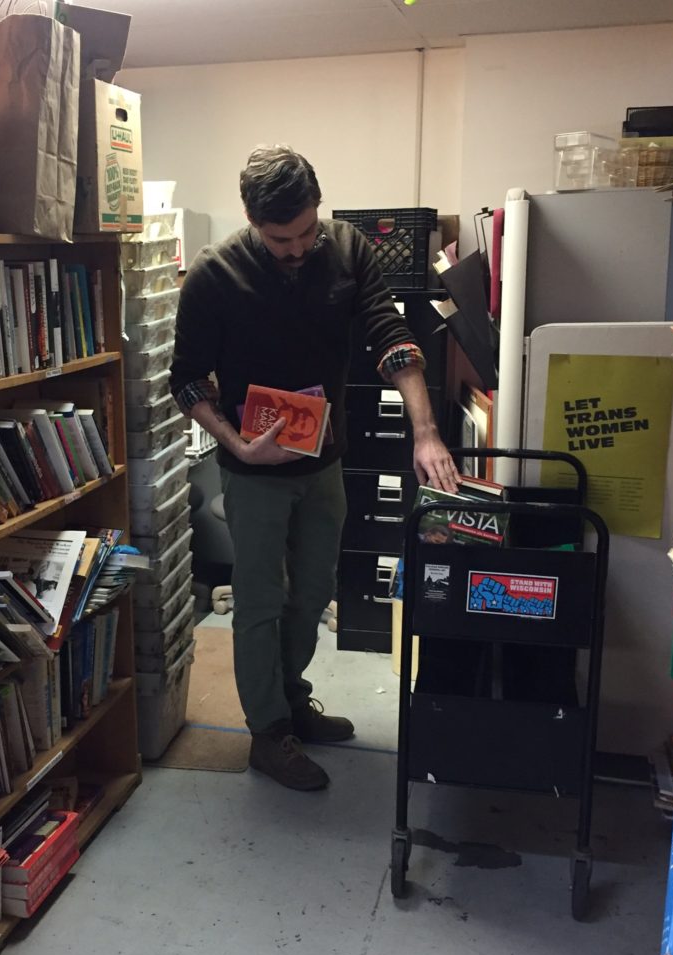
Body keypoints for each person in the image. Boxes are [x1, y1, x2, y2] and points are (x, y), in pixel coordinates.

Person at [169, 145, 459, 791]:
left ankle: (293, 702)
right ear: (250, 220)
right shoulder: (214, 276)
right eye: (280, 239)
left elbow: (393, 337)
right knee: (260, 602)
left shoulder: (346, 249)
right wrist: (237, 447)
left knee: (314, 590)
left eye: (305, 231)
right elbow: (186, 381)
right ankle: (268, 734)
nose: (297, 248)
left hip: (324, 460)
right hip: (252, 470)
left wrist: (426, 432)